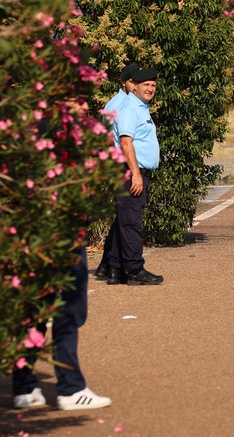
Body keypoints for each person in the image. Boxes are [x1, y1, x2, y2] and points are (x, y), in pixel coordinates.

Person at [13, 97, 112, 411]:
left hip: (36, 236)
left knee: (37, 311)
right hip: (60, 234)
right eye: (78, 100)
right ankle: (71, 388)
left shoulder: (33, 132)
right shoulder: (58, 137)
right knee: (68, 310)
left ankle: (25, 386)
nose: (85, 106)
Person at [105, 67, 164, 286]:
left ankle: (116, 268)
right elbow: (126, 142)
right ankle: (134, 270)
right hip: (131, 172)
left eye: (153, 85)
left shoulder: (140, 107)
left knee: (125, 220)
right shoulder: (130, 108)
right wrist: (136, 175)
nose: (150, 89)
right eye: (146, 85)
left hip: (134, 171)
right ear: (134, 86)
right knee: (132, 224)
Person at [94, 62, 140, 281]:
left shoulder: (126, 103)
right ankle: (111, 265)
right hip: (120, 163)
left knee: (122, 216)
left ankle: (107, 265)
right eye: (132, 81)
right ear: (124, 82)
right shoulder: (120, 104)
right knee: (125, 216)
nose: (135, 85)